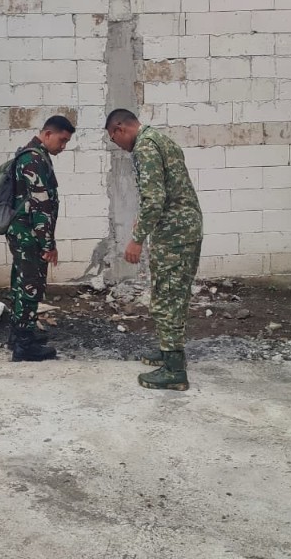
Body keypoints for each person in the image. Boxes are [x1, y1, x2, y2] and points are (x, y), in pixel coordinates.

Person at [106, 109, 203, 391]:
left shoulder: (145, 147)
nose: (116, 145)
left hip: (174, 233)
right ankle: (168, 349)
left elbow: (154, 198)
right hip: (182, 228)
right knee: (171, 292)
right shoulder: (161, 139)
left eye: (113, 138)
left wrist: (136, 239)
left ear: (120, 128)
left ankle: (174, 370)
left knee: (167, 296)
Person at [6, 115, 76, 362]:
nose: (63, 146)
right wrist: (48, 245)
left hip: (24, 232)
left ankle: (19, 334)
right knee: (30, 285)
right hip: (29, 235)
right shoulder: (33, 159)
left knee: (21, 282)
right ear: (47, 134)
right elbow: (41, 206)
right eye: (62, 140)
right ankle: (24, 347)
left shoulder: (33, 155)